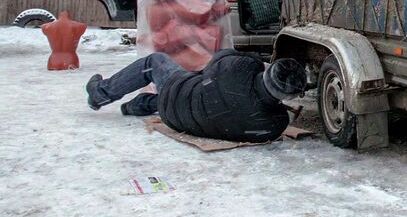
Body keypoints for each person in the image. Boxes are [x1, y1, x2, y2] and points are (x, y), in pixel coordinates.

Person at [85, 50, 307, 143]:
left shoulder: (238, 67)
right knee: (211, 104)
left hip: (178, 93)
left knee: (153, 62)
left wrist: (252, 61)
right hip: (179, 120)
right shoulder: (275, 124)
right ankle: (138, 105)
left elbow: (218, 59)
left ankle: (99, 94)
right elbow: (243, 113)